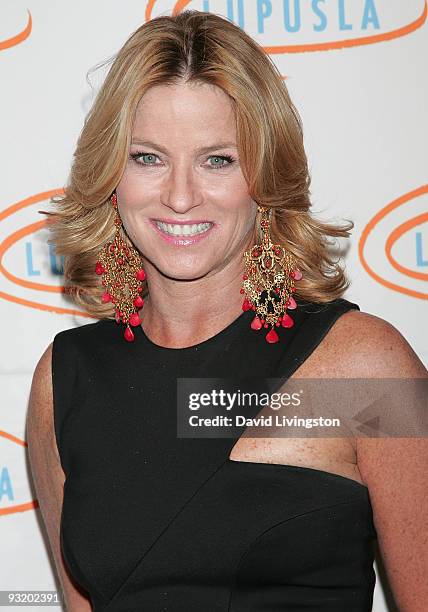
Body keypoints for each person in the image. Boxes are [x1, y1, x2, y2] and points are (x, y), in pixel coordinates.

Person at [27, 10, 427, 612]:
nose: (181, 195)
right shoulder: (66, 379)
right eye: (147, 157)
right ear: (111, 174)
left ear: (264, 175)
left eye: (218, 160)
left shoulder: (361, 367)